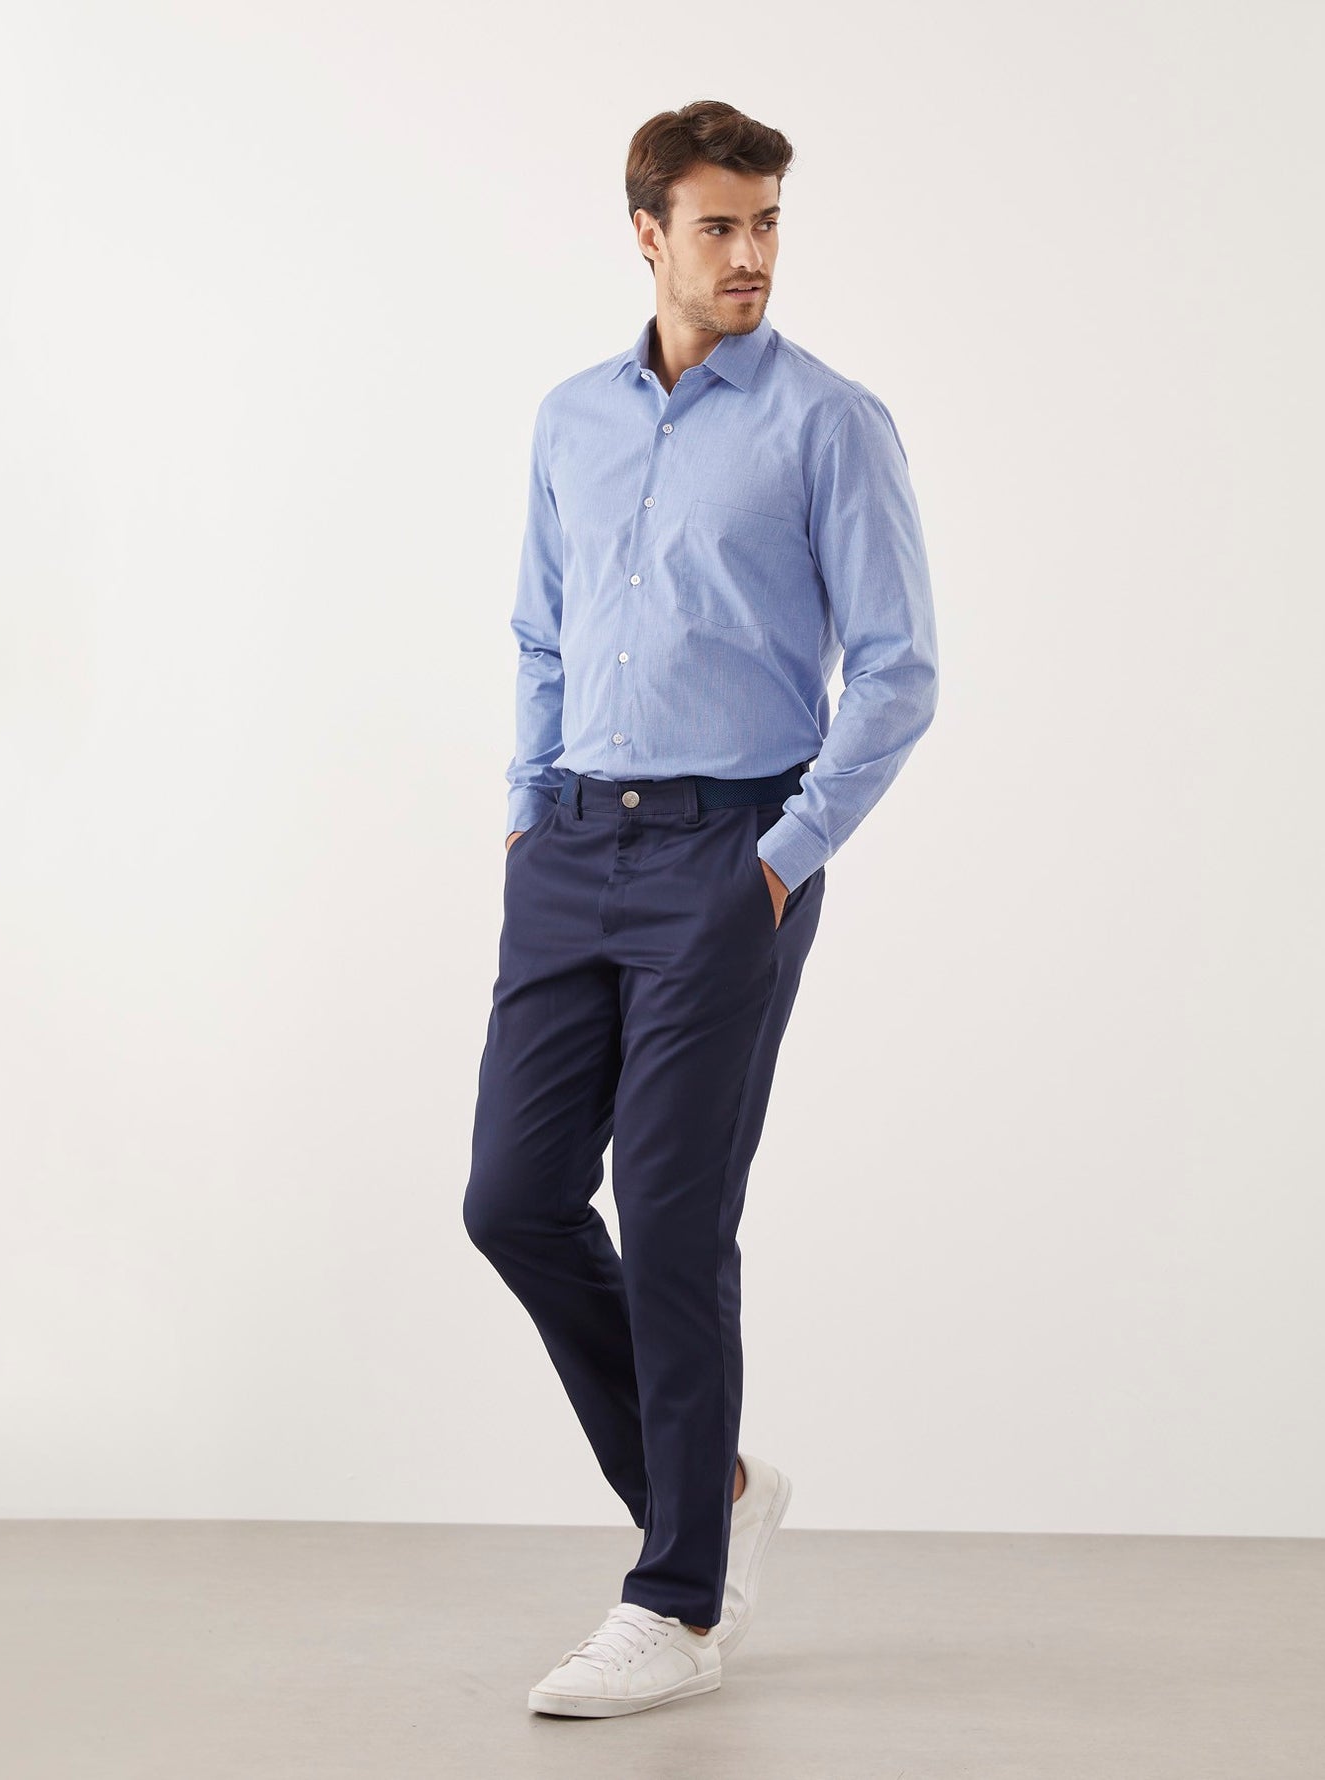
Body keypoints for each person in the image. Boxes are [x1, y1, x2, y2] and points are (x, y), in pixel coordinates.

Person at [462, 98, 940, 1719]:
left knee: (672, 1219)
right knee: (514, 1200)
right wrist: (528, 810)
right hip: (570, 848)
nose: (751, 254)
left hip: (731, 857)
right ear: (648, 234)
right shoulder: (570, 420)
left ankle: (675, 1601)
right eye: (720, 225)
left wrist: (781, 859)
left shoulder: (829, 424)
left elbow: (898, 673)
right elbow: (539, 630)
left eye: (768, 223)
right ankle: (714, 1494)